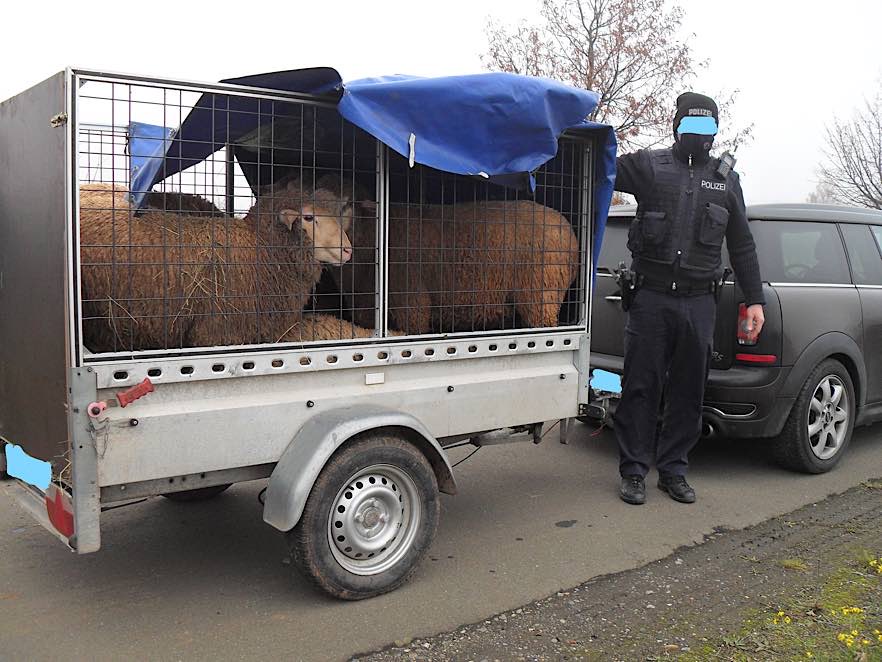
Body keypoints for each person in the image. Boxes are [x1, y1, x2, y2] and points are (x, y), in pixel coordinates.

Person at [612, 92, 765, 505]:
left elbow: (743, 245)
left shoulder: (727, 180)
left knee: (687, 390)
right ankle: (634, 471)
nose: (699, 135)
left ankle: (674, 470)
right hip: (651, 300)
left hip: (699, 303)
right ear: (676, 125)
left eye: (707, 127)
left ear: (716, 130)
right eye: (691, 125)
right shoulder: (649, 167)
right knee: (640, 387)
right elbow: (600, 161)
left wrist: (755, 301)